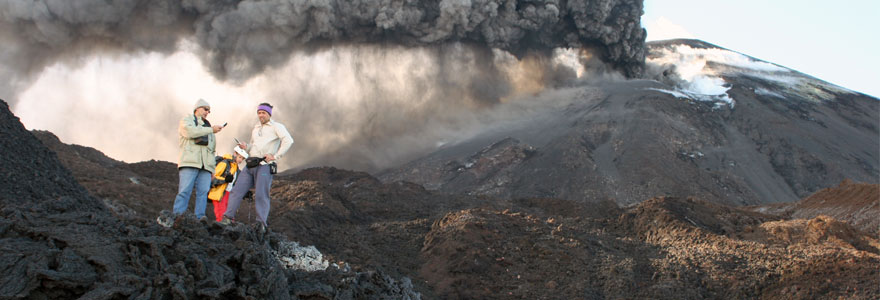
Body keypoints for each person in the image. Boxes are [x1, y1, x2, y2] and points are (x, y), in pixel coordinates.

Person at [220, 102, 293, 229]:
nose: (261, 115)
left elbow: (288, 140)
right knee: (236, 191)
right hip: (250, 165)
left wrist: (276, 156)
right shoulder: (256, 128)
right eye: (259, 113)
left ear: (269, 114)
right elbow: (252, 146)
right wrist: (245, 146)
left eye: (263, 113)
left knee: (261, 194)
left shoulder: (277, 127)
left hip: (264, 165)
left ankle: (261, 224)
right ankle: (227, 218)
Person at [172, 99, 224, 221]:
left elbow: (211, 151)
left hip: (205, 167)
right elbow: (190, 132)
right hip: (190, 163)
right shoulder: (187, 120)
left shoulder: (208, 127)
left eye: (209, 111)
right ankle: (177, 217)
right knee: (185, 191)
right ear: (197, 108)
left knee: (203, 193)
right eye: (206, 109)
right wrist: (211, 129)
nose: (207, 112)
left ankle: (199, 218)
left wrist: (212, 169)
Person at [208, 147, 246, 222]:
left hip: (229, 193)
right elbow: (213, 178)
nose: (241, 160)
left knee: (229, 214)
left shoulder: (236, 168)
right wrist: (225, 180)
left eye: (243, 158)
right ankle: (222, 230)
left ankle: (228, 229)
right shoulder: (224, 163)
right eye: (240, 157)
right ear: (235, 154)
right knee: (221, 214)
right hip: (220, 193)